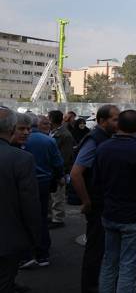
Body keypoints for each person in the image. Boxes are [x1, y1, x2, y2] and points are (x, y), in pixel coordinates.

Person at [92, 110, 136, 293]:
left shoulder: (103, 147)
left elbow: (95, 183)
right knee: (128, 263)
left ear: (118, 125)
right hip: (133, 217)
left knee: (109, 260)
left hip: (109, 214)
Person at [70, 104, 120, 293]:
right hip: (97, 204)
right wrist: (86, 201)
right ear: (101, 121)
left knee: (106, 247)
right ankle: (90, 287)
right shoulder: (94, 139)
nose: (118, 122)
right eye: (115, 119)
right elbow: (76, 173)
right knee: (96, 248)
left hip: (105, 202)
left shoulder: (106, 138)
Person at [0, 108, 41, 293]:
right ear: (11, 129)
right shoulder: (21, 159)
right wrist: (35, 235)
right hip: (8, 236)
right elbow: (29, 203)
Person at [21, 113, 64, 268]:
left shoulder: (19, 139)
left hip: (23, 183)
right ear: (38, 125)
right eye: (45, 124)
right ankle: (42, 254)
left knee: (23, 218)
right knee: (41, 217)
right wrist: (60, 176)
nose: (48, 126)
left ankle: (26, 254)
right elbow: (58, 162)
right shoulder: (48, 140)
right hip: (43, 183)